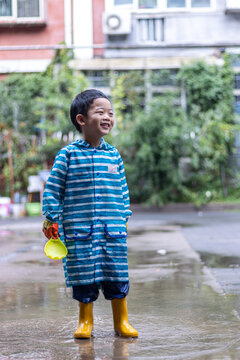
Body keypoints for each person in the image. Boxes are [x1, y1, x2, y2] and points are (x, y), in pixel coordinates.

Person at [42, 89, 138, 339]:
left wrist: (124, 217)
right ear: (82, 119)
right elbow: (53, 189)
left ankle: (122, 321)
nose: (108, 117)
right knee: (83, 276)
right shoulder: (68, 155)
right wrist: (51, 217)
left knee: (116, 273)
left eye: (111, 113)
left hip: (112, 229)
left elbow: (123, 189)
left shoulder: (113, 155)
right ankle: (85, 322)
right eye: (100, 112)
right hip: (79, 229)